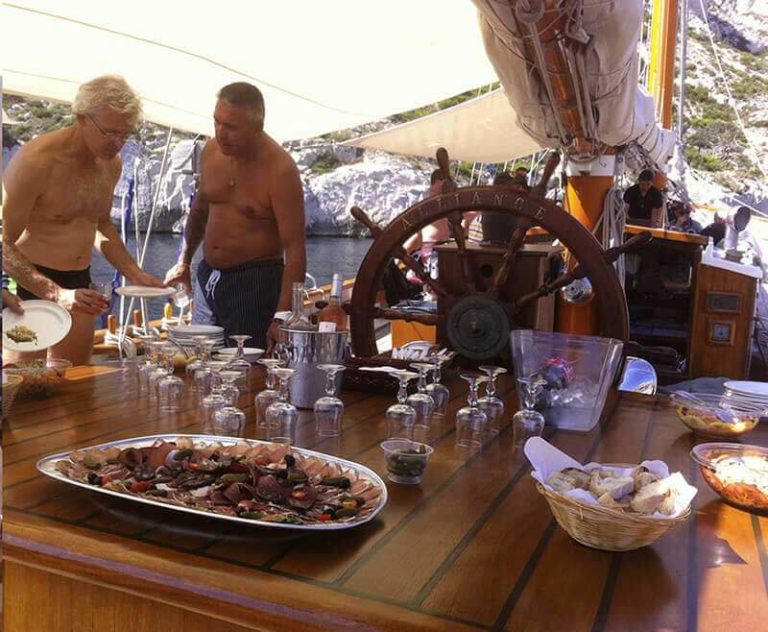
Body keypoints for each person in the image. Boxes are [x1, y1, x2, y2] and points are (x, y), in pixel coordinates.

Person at [2, 75, 164, 365]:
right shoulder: (36, 161)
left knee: (77, 386)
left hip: (80, 283)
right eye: (110, 133)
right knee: (24, 393)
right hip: (31, 284)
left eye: (125, 135)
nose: (118, 143)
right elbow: (4, 244)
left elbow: (100, 224)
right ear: (82, 118)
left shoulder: (111, 164)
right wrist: (55, 293)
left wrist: (135, 273)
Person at [164, 82, 306, 350]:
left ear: (257, 127)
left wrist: (282, 316)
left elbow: (295, 249)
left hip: (255, 284)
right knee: (198, 360)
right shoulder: (211, 151)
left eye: (231, 127)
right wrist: (184, 262)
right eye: (217, 122)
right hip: (209, 278)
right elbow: (201, 209)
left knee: (245, 370)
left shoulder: (280, 170)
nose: (221, 133)